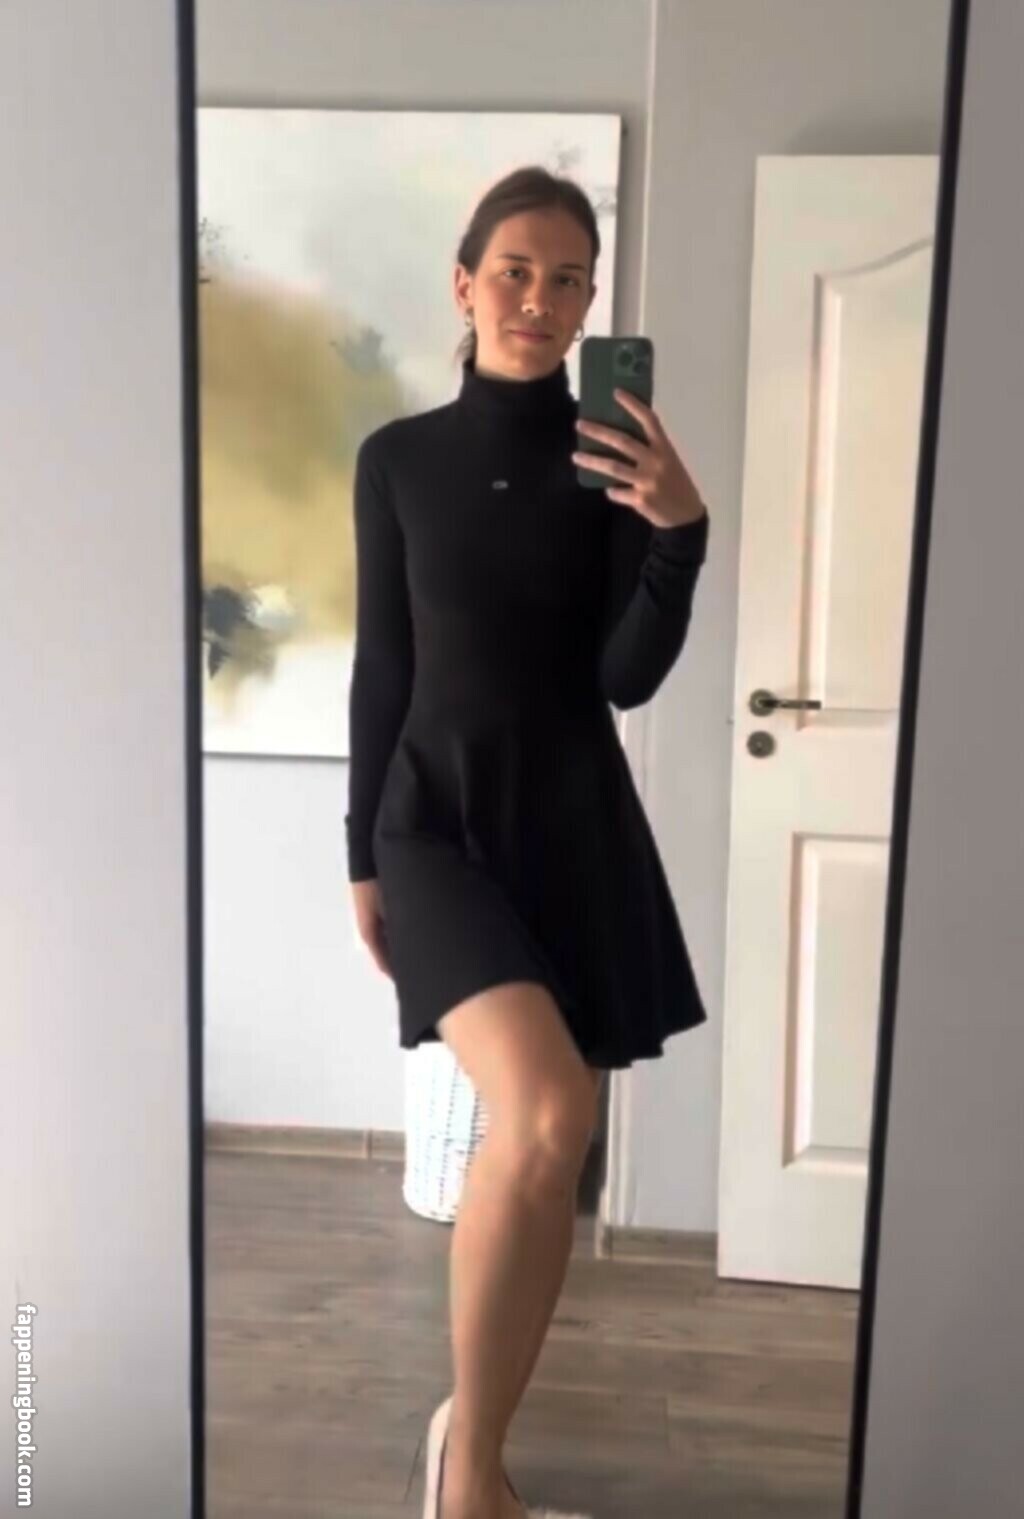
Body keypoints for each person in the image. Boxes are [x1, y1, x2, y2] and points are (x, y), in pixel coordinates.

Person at [345, 165, 710, 1519]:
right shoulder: (397, 460)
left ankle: (476, 1449)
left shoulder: (614, 462)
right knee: (546, 1110)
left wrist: (679, 536)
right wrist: (361, 855)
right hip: (435, 819)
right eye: (515, 271)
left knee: (559, 1145)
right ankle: (465, 1485)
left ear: (590, 304)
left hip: (571, 825)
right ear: (465, 283)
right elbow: (384, 670)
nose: (539, 299)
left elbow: (624, 678)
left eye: (568, 280)